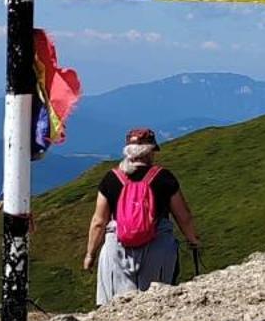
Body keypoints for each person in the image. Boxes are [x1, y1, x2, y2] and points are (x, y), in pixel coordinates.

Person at [82, 127, 201, 302]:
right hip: (158, 246)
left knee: (114, 307)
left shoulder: (111, 178)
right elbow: (183, 216)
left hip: (117, 248)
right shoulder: (163, 177)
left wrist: (90, 254)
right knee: (157, 303)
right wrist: (193, 241)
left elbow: (99, 221)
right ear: (150, 152)